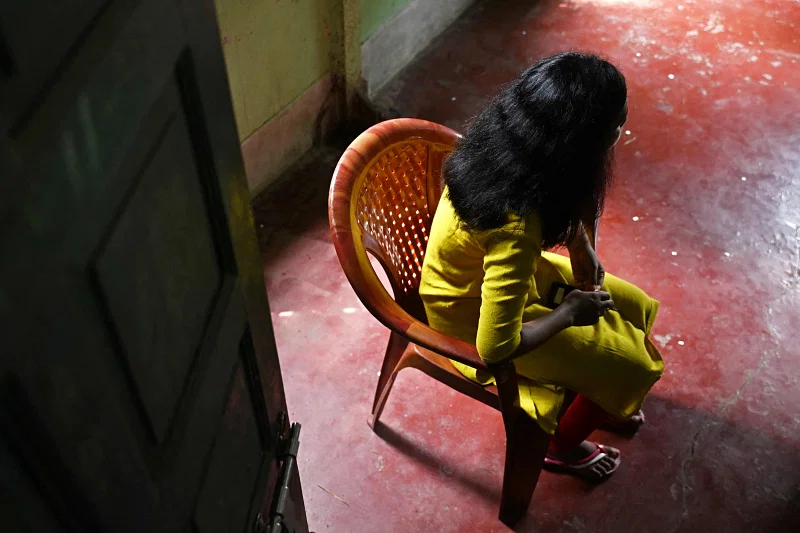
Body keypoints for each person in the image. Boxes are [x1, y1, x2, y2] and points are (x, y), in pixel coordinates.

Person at [419, 52, 664, 481]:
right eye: (614, 128)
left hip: (501, 277)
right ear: (578, 145)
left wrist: (582, 245)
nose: (621, 134)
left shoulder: (508, 147)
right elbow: (494, 348)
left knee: (633, 306)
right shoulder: (515, 223)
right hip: (468, 315)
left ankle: (600, 394)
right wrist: (568, 314)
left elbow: (560, 204)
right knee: (634, 365)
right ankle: (560, 443)